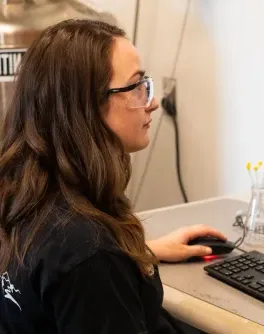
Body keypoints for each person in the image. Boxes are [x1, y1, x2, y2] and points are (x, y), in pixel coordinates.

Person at [0, 19, 226, 333]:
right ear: (85, 107)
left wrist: (140, 253)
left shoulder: (24, 193)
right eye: (136, 87)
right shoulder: (90, 256)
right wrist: (110, 261)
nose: (153, 102)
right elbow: (84, 265)